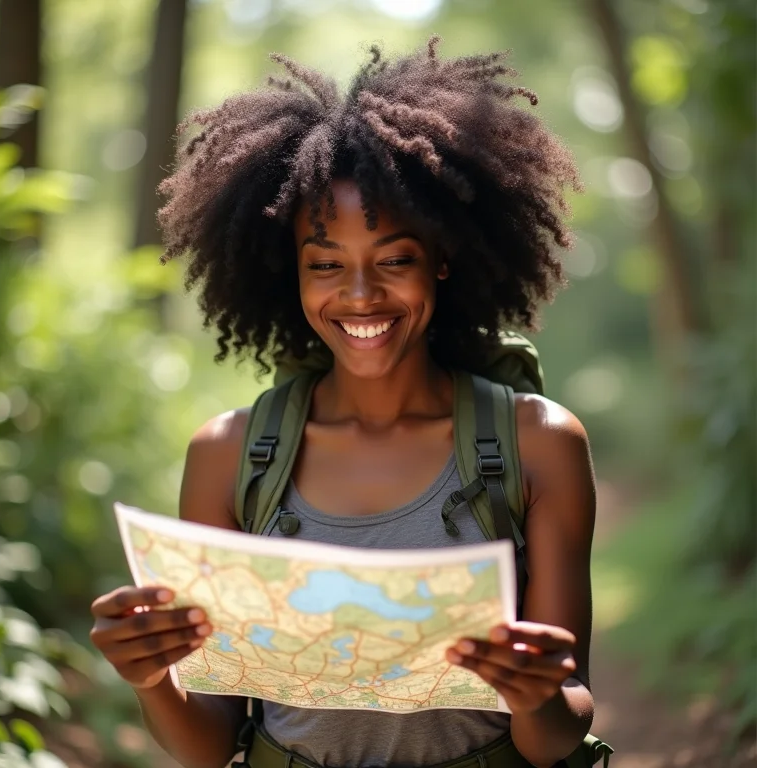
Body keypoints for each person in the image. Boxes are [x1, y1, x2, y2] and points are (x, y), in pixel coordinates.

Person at [90, 37, 596, 768]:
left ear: (443, 259)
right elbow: (207, 745)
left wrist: (535, 694)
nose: (360, 295)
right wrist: (151, 680)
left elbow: (559, 732)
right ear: (287, 271)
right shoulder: (228, 457)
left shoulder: (538, 444)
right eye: (325, 264)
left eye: (394, 259)